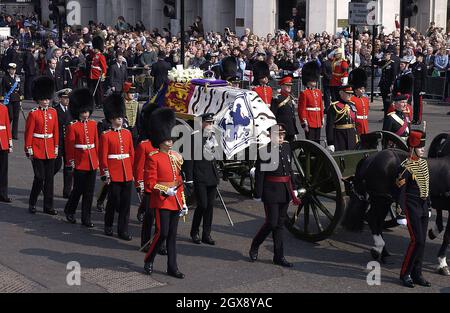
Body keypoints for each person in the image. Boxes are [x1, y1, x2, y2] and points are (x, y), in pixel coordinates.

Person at [143, 108, 188, 279]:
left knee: (172, 236)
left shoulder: (175, 157)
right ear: (160, 140)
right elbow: (150, 183)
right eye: (167, 139)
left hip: (175, 200)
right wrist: (164, 189)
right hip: (161, 200)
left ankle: (172, 267)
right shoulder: (153, 157)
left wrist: (182, 201)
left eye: (171, 139)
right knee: (162, 232)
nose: (170, 142)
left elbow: (179, 181)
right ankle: (149, 259)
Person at [249, 124, 300, 267]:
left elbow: (289, 169)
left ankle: (279, 256)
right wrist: (258, 194)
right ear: (270, 136)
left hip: (284, 190)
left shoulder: (286, 147)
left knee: (279, 225)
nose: (281, 138)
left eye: (283, 135)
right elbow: (260, 174)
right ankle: (255, 244)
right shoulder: (265, 151)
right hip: (270, 191)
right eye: (278, 135)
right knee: (271, 222)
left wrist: (294, 188)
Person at [396, 130, 431, 288]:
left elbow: (427, 186)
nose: (423, 148)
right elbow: (400, 192)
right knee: (416, 241)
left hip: (423, 207)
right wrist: (401, 211)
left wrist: (428, 205)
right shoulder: (405, 168)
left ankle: (417, 273)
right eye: (420, 146)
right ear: (413, 146)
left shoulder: (423, 163)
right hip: (412, 207)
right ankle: (405, 273)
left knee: (423, 242)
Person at [99, 94, 135, 240]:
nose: (120, 119)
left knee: (126, 205)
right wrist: (105, 173)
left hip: (126, 172)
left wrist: (132, 171)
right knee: (113, 201)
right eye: (117, 117)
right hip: (114, 173)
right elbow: (103, 156)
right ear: (111, 118)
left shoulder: (127, 133)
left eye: (121, 117)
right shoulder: (106, 135)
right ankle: (108, 225)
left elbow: (131, 153)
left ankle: (123, 230)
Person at [64, 88, 99, 228]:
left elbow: (96, 144)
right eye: (83, 112)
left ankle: (86, 217)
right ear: (78, 112)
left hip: (92, 161)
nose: (85, 114)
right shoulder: (73, 126)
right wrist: (71, 161)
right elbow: (69, 146)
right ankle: (70, 210)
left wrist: (97, 161)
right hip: (79, 162)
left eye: (87, 112)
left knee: (89, 192)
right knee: (78, 189)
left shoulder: (93, 124)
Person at [184, 113, 220, 245]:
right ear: (201, 123)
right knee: (202, 205)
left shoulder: (213, 137)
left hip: (211, 175)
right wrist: (189, 179)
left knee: (210, 206)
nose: (211, 125)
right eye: (208, 123)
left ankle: (207, 234)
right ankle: (194, 232)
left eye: (212, 123)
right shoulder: (193, 138)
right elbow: (189, 160)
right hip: (199, 176)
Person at [25, 76, 59, 215]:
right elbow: (29, 133)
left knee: (49, 179)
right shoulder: (33, 114)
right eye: (43, 99)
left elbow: (55, 131)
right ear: (39, 100)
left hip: (50, 148)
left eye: (47, 99)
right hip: (37, 149)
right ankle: (32, 202)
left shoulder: (53, 112)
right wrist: (29, 149)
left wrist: (56, 146)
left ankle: (48, 206)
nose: (46, 102)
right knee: (39, 177)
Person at [53, 88, 73, 198]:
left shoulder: (72, 110)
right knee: (56, 165)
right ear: (60, 99)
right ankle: (46, 180)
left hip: (69, 142)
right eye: (65, 98)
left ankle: (67, 191)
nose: (67, 100)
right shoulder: (55, 110)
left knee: (68, 167)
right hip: (59, 141)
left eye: (68, 98)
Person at [326, 85, 358, 152]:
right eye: (348, 93)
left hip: (351, 135)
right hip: (339, 136)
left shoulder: (352, 105)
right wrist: (330, 143)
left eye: (351, 94)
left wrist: (357, 136)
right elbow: (329, 126)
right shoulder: (334, 106)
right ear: (341, 93)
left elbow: (355, 123)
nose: (350, 95)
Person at [298, 61, 324, 143]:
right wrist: (304, 123)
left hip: (317, 121)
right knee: (311, 143)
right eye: (312, 80)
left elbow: (321, 107)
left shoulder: (318, 92)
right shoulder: (304, 93)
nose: (314, 81)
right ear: (308, 80)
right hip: (309, 121)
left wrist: (321, 118)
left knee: (318, 143)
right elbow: (302, 109)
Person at [271, 76, 299, 143]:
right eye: (287, 85)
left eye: (290, 85)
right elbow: (273, 114)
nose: (289, 87)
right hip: (281, 129)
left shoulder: (290, 97)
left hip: (291, 129)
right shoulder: (277, 98)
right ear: (282, 86)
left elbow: (292, 116)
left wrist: (294, 131)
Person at [1, 63, 22, 140]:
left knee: (16, 117)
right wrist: (2, 97)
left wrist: (21, 97)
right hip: (8, 99)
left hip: (16, 99)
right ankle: (6, 131)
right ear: (8, 70)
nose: (13, 71)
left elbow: (20, 88)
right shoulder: (5, 78)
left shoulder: (17, 78)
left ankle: (14, 134)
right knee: (10, 116)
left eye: (14, 69)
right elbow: (2, 88)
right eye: (11, 69)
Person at [376, 50, 397, 117]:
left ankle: (389, 116)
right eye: (385, 55)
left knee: (388, 101)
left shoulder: (392, 63)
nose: (385, 56)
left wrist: (392, 84)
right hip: (383, 84)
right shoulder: (383, 62)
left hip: (388, 84)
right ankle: (385, 116)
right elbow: (375, 62)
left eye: (387, 55)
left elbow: (393, 75)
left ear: (389, 55)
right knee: (384, 101)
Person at [349, 68, 370, 135]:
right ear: (355, 90)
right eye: (360, 89)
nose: (363, 90)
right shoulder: (352, 99)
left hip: (365, 123)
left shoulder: (365, 99)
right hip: (357, 124)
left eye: (363, 88)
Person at [89, 36, 107, 108]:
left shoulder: (101, 56)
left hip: (98, 75)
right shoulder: (94, 55)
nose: (94, 49)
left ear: (98, 48)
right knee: (94, 90)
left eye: (95, 48)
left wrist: (103, 75)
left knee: (99, 90)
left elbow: (104, 67)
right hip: (93, 75)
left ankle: (100, 103)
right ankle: (96, 102)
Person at [0, 99, 13, 203]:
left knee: (3, 170)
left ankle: (3, 194)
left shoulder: (4, 108)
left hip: (3, 142)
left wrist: (9, 142)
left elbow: (7, 125)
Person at [411, 52, 427, 124]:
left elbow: (424, 78)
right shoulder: (414, 65)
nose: (417, 58)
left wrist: (423, 89)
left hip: (419, 86)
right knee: (415, 103)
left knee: (419, 104)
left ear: (421, 58)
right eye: (416, 56)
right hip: (414, 86)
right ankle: (414, 118)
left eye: (418, 57)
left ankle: (418, 119)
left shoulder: (423, 66)